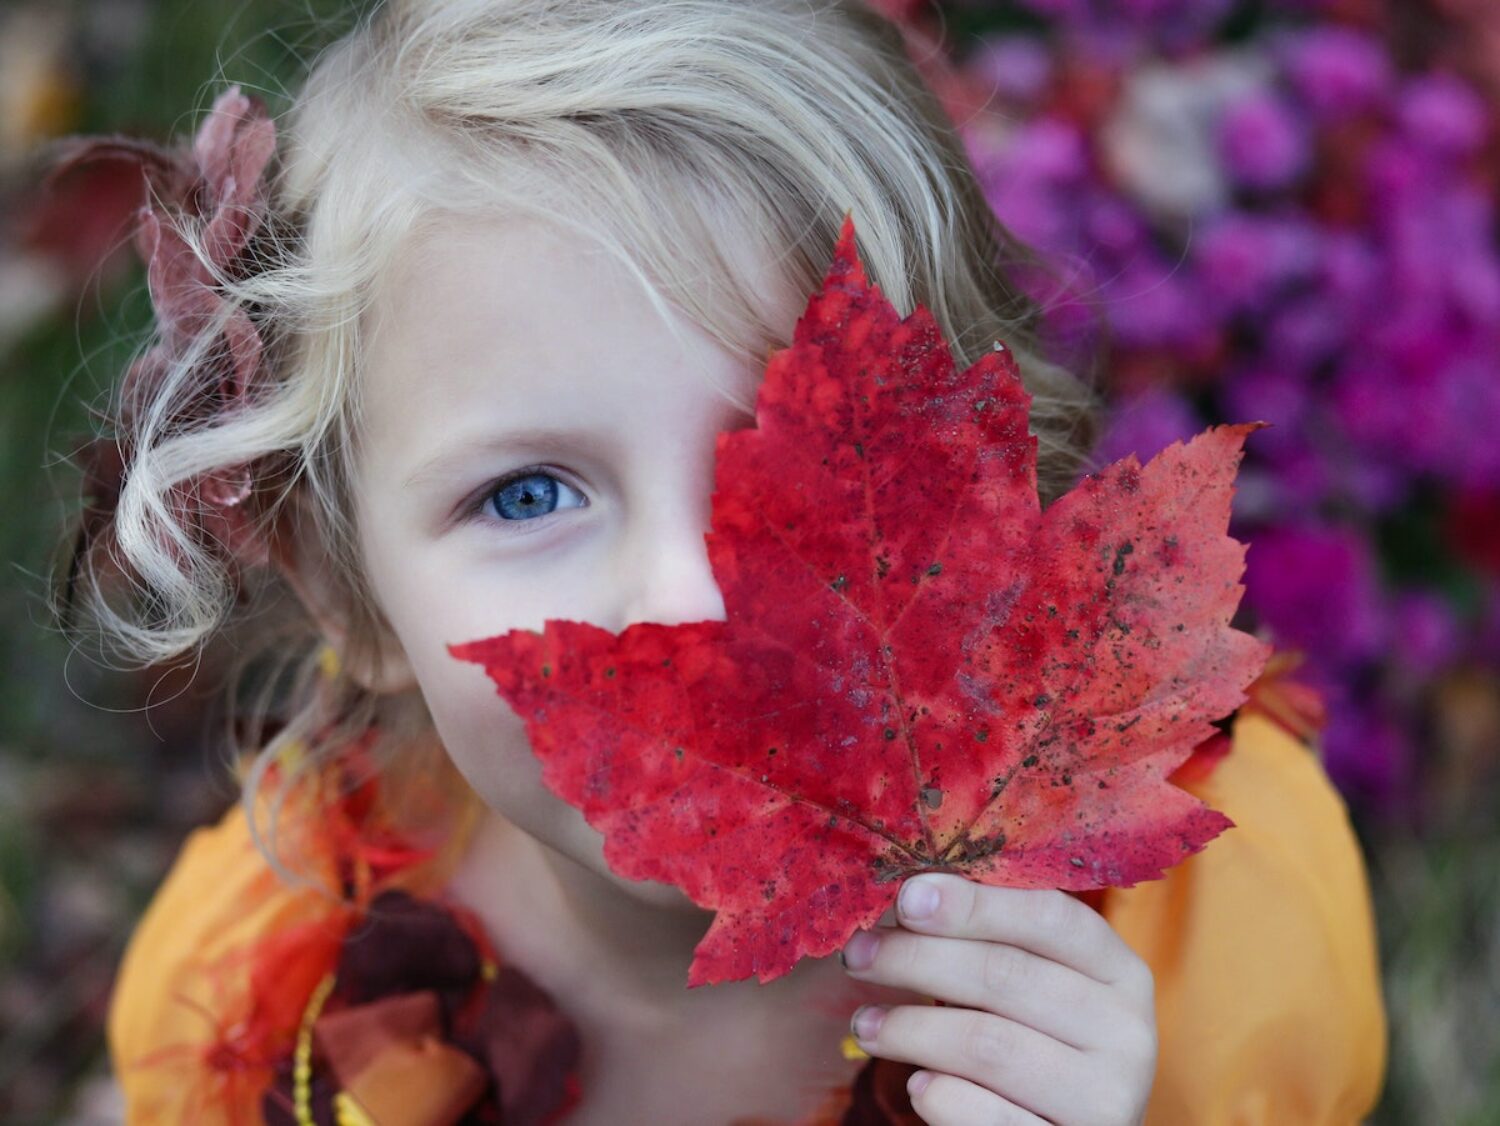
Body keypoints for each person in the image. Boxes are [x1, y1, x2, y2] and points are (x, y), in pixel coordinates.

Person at [53, 1, 1388, 1122]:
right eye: (527, 492)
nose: (692, 598)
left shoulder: (1200, 951)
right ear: (347, 589)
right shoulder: (266, 1002)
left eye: (793, 455)